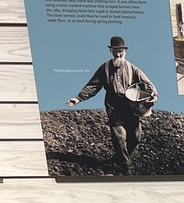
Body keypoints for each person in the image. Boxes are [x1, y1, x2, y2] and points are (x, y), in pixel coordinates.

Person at [67, 36, 156, 174]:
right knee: (119, 137)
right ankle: (125, 165)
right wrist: (78, 99)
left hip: (131, 107)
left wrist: (151, 98)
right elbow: (93, 86)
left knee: (136, 138)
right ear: (111, 51)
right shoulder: (105, 68)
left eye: (120, 51)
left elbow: (149, 87)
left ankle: (120, 156)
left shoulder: (133, 69)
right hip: (114, 106)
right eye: (115, 51)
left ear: (125, 51)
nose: (118, 54)